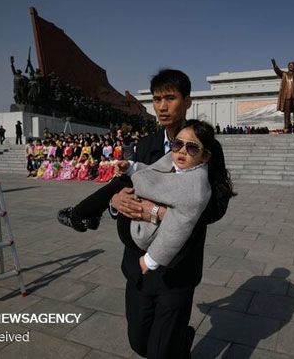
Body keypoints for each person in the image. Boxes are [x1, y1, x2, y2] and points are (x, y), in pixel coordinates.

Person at [58, 69, 231, 358]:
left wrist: (159, 213)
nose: (162, 106)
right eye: (157, 99)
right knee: (139, 343)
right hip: (136, 263)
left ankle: (175, 343)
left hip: (177, 268)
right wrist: (115, 204)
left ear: (187, 101)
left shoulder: (205, 146)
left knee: (159, 352)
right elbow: (125, 187)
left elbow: (217, 205)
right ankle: (181, 339)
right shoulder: (146, 145)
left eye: (170, 98)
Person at [272, 59, 294, 132]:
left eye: (292, 65)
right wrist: (275, 65)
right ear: (288, 67)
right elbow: (278, 71)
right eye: (289, 65)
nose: (290, 66)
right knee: (286, 113)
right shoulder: (284, 74)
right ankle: (286, 126)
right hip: (287, 96)